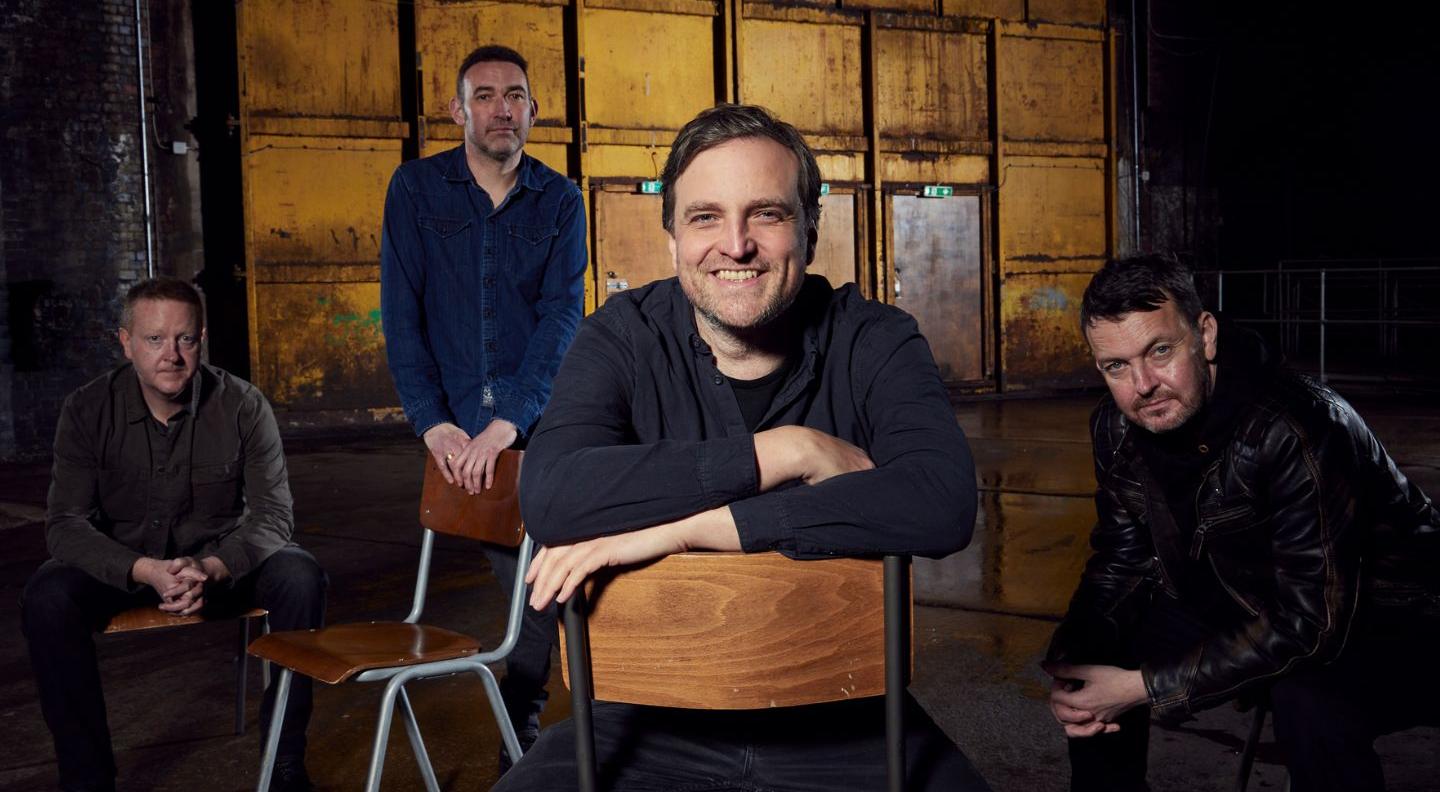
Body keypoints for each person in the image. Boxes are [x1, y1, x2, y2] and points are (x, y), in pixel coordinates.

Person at [497, 103, 990, 792]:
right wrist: (786, 453)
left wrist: (686, 531)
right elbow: (552, 496)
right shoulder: (620, 337)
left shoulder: (875, 339)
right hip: (647, 724)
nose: (735, 244)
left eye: (766, 214)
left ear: (810, 231)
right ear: (671, 237)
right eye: (705, 217)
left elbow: (941, 502)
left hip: (849, 723)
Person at [1043, 255, 1440, 791]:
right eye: (1116, 366)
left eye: (1160, 351)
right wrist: (1073, 660)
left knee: (1308, 695)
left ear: (1204, 335)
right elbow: (1122, 559)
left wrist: (1144, 687)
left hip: (1392, 622)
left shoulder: (1297, 426)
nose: (1143, 385)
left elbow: (1313, 625)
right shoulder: (1116, 428)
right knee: (1098, 659)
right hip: (1252, 599)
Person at [20, 277, 327, 792]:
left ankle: (285, 765)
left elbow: (274, 514)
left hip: (219, 566)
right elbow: (66, 524)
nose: (172, 355)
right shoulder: (87, 409)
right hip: (126, 567)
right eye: (155, 340)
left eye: (185, 339)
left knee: (300, 576)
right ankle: (87, 779)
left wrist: (212, 567)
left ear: (201, 340)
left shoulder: (243, 405)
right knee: (47, 599)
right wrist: (143, 570)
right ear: (125, 342)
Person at [379, 44, 586, 765]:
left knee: (555, 579)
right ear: (459, 110)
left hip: (547, 424)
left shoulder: (560, 201)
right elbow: (401, 317)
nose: (503, 107)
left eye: (516, 95)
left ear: (533, 109)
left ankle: (527, 732)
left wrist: (510, 423)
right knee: (536, 583)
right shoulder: (414, 190)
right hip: (460, 432)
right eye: (487, 94)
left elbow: (563, 321)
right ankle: (528, 729)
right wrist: (433, 422)